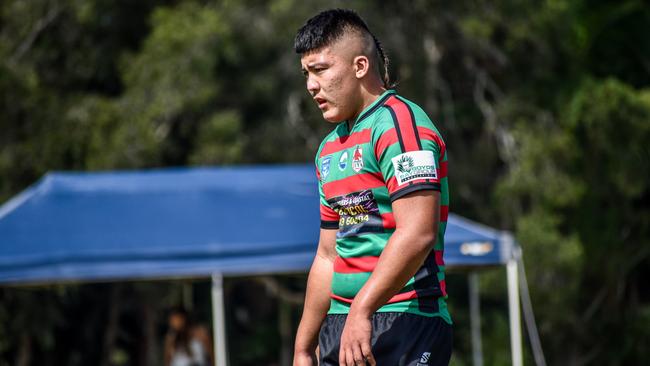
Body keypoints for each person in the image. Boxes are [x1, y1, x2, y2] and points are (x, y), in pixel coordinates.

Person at [292, 9, 452, 366]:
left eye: (320, 69)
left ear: (360, 66)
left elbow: (417, 233)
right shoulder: (328, 149)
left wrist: (362, 310)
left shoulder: (400, 124)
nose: (310, 85)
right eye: (306, 74)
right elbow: (327, 256)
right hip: (342, 326)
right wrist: (304, 346)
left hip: (406, 318)